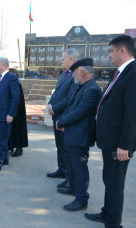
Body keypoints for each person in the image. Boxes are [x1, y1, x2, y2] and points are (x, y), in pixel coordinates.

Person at [85, 35, 136, 228]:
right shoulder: (120, 73)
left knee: (114, 185)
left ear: (123, 51)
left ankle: (113, 227)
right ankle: (107, 212)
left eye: (111, 51)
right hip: (110, 140)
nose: (109, 55)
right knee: (109, 180)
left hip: (118, 145)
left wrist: (124, 146)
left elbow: (133, 114)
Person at [55, 58, 102, 211]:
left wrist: (62, 122)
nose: (73, 75)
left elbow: (80, 112)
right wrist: (63, 120)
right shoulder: (83, 86)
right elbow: (71, 107)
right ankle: (73, 188)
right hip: (73, 134)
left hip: (80, 137)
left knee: (80, 168)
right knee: (74, 166)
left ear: (82, 72)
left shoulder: (92, 90)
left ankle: (81, 198)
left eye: (74, 72)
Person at [46, 49, 79, 190]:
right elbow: (57, 92)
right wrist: (50, 104)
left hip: (64, 116)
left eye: (63, 58)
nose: (61, 61)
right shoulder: (64, 74)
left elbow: (71, 97)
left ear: (71, 59)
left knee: (66, 148)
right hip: (57, 116)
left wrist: (56, 108)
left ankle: (68, 176)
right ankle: (61, 169)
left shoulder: (75, 75)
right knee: (59, 145)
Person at [7, 68, 28, 157]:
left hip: (18, 113)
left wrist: (13, 112)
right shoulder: (14, 84)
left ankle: (19, 149)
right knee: (13, 131)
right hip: (15, 111)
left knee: (19, 131)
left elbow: (18, 100)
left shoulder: (17, 85)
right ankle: (11, 146)